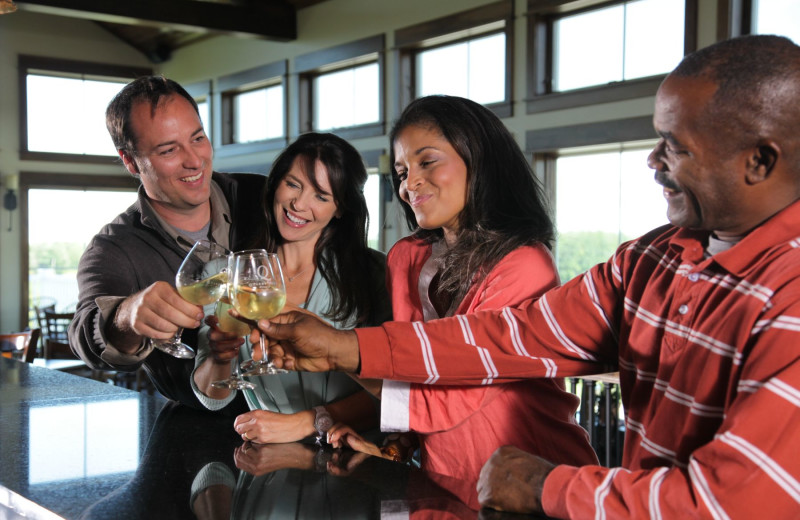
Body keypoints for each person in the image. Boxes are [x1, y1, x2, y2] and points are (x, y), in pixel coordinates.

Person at [257, 35, 800, 518]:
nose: (653, 162)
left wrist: (549, 487)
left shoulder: (790, 298)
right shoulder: (652, 258)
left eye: (676, 147)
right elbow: (516, 335)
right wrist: (343, 347)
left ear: (760, 161)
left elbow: (730, 502)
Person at [324, 95, 597, 482]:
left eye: (427, 161)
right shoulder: (406, 258)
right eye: (401, 172)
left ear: (479, 160)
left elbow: (451, 398)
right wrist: (394, 446)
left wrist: (331, 351)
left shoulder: (524, 265)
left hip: (533, 480)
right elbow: (413, 370)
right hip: (449, 483)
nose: (409, 184)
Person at [68, 76, 265, 409]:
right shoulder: (113, 248)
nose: (194, 160)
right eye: (169, 150)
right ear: (130, 161)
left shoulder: (261, 198)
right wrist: (125, 317)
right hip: (192, 433)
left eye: (198, 138)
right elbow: (85, 340)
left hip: (301, 419)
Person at [192, 132, 392, 443]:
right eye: (293, 184)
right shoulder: (222, 274)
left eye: (321, 196)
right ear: (275, 184)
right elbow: (212, 397)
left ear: (340, 208)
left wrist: (308, 422)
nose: (299, 203)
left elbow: (397, 395)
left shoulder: (376, 275)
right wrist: (219, 358)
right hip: (269, 466)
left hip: (357, 458)